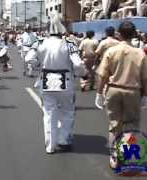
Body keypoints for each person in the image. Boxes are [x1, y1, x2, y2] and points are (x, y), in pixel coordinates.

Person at [95, 21, 147, 169]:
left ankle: (114, 156)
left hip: (113, 90)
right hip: (133, 92)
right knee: (131, 125)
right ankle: (126, 155)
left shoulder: (111, 52)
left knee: (114, 125)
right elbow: (146, 77)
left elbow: (103, 75)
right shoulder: (140, 53)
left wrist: (99, 93)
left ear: (118, 34)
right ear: (133, 35)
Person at [37, 12, 87, 154]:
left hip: (46, 80)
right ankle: (64, 140)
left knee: (49, 113)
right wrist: (83, 74)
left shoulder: (41, 42)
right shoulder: (70, 43)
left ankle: (50, 145)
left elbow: (30, 59)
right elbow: (77, 65)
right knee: (67, 111)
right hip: (65, 80)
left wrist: (41, 65)